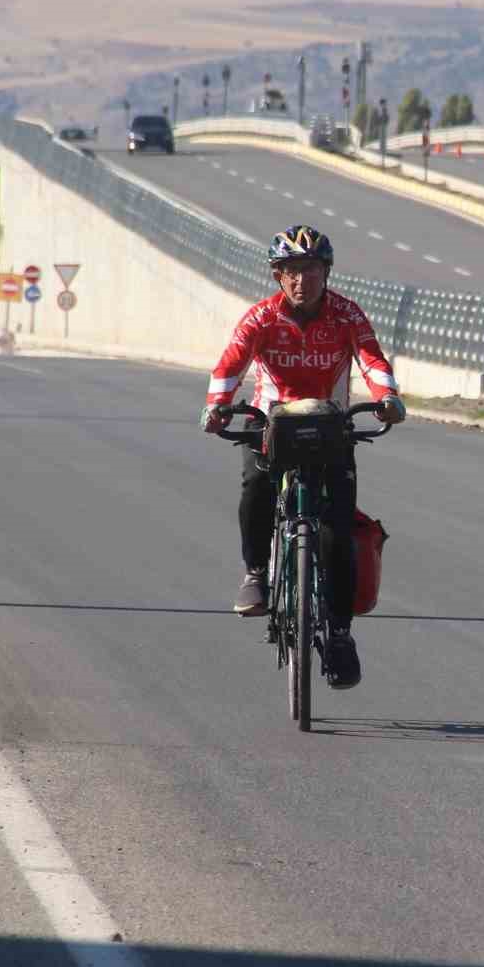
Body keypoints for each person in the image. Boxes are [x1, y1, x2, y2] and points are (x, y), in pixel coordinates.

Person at [201, 225, 406, 690]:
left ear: (325, 272)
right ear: (277, 276)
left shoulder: (346, 315)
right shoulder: (260, 319)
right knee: (255, 485)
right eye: (291, 271)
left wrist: (388, 397)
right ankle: (256, 573)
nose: (301, 281)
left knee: (336, 529)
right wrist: (216, 406)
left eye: (310, 270)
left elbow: (372, 358)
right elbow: (229, 364)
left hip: (331, 425)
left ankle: (339, 633)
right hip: (272, 423)